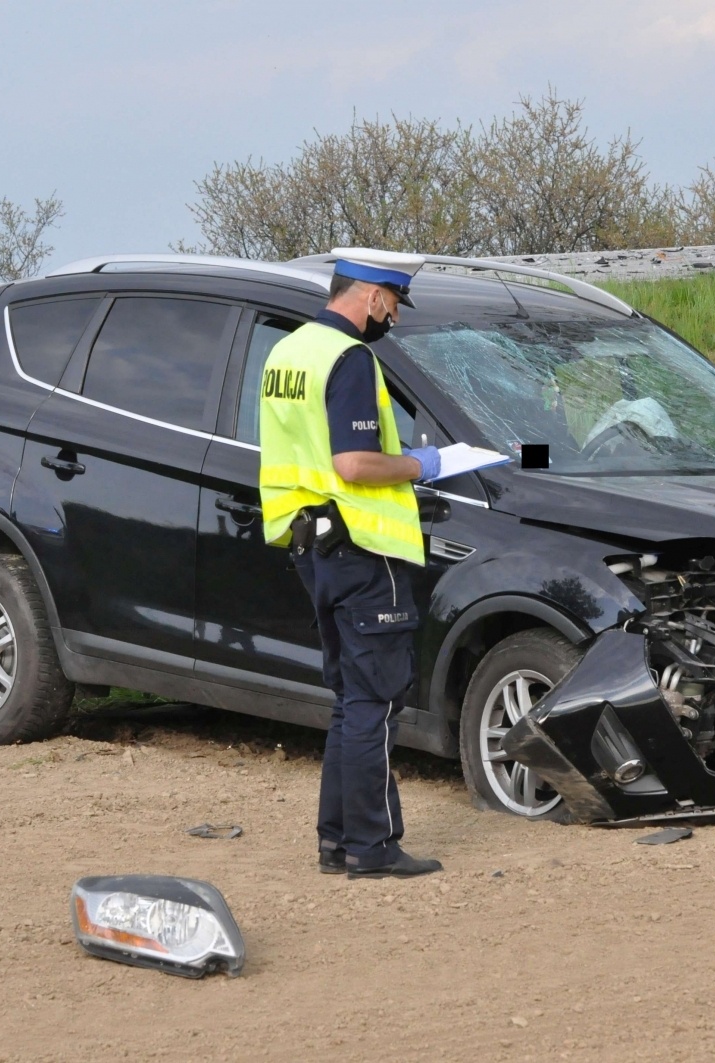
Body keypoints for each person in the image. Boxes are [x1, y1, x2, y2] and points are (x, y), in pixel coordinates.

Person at [258, 247, 445, 879]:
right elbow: (355, 464)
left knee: (348, 701)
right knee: (375, 703)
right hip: (366, 549)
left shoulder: (288, 352)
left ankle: (336, 843)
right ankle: (373, 846)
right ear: (371, 295)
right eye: (392, 303)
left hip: (312, 545)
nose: (393, 315)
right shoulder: (350, 357)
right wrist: (426, 465)